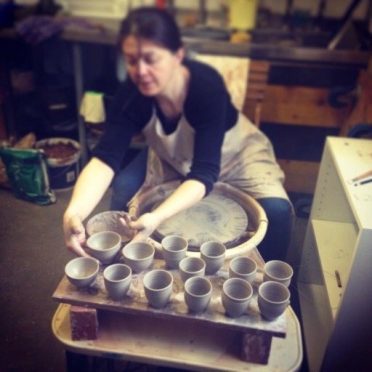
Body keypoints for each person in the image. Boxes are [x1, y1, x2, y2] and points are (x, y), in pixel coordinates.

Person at [63, 7, 293, 262]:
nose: (141, 71)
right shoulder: (132, 92)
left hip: (234, 155)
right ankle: (119, 263)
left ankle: (277, 288)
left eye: (151, 59)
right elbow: (105, 157)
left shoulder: (205, 87)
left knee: (278, 211)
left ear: (177, 55)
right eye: (131, 60)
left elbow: (204, 173)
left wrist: (157, 216)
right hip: (172, 155)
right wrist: (74, 212)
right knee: (124, 188)